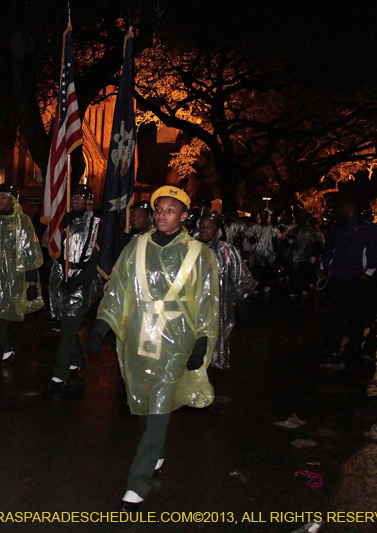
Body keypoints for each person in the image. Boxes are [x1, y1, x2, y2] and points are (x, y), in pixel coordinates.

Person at [88, 185, 219, 513]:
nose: (161, 215)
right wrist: (102, 324)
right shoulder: (137, 247)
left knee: (160, 403)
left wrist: (202, 341)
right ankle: (156, 447)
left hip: (176, 341)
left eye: (170, 210)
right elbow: (118, 289)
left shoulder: (199, 254)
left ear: (185, 216)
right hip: (138, 338)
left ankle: (138, 480)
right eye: (158, 209)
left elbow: (207, 302)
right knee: (143, 402)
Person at [0, 183, 44, 377]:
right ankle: (9, 346)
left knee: (2, 317)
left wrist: (31, 283)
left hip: (14, 280)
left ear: (13, 200)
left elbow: (30, 253)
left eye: (4, 197)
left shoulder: (23, 221)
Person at [320, 195, 377, 369]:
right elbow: (329, 250)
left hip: (356, 280)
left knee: (356, 316)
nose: (341, 209)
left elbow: (376, 252)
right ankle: (333, 351)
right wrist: (324, 268)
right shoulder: (336, 228)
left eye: (344, 205)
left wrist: (368, 273)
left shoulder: (367, 229)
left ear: (352, 208)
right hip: (337, 279)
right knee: (336, 315)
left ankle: (354, 349)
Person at [47, 184, 100, 389]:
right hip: (62, 274)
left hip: (82, 279)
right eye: (74, 197)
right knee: (63, 321)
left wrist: (81, 279)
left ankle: (60, 372)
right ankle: (77, 359)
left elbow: (96, 256)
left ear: (88, 201)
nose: (77, 200)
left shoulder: (96, 223)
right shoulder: (64, 220)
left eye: (81, 197)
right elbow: (52, 247)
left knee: (70, 325)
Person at [196, 212, 254, 369]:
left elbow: (243, 280)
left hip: (221, 306)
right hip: (195, 306)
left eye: (210, 227)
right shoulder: (191, 249)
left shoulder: (227, 251)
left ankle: (216, 368)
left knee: (218, 337)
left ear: (217, 230)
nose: (205, 230)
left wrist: (231, 299)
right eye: (202, 226)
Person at [244, 210, 279, 293]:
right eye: (262, 216)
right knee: (257, 270)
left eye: (265, 216)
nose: (263, 218)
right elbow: (249, 239)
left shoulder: (272, 229)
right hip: (257, 253)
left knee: (267, 270)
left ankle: (267, 284)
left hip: (268, 252)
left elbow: (275, 240)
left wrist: (275, 252)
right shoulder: (254, 228)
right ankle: (258, 286)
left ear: (267, 217)